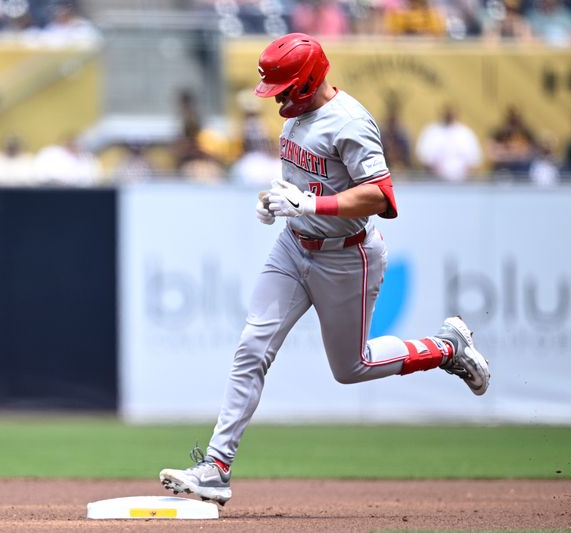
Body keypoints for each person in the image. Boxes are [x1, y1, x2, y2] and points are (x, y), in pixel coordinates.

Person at [159, 33, 490, 506]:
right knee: (252, 346)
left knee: (351, 368)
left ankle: (444, 348)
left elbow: (382, 197)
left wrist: (311, 202)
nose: (276, 98)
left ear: (308, 80)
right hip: (294, 246)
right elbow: (302, 184)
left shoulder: (349, 122)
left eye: (283, 88)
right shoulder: (295, 120)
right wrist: (275, 202)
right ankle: (216, 467)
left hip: (347, 254)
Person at [415, 104, 483, 182]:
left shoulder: (465, 133)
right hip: (435, 182)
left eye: (451, 113)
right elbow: (423, 156)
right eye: (446, 113)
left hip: (462, 183)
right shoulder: (432, 131)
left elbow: (474, 159)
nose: (448, 115)